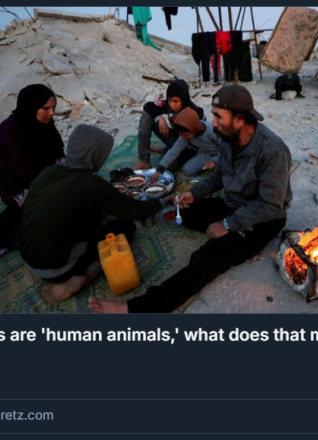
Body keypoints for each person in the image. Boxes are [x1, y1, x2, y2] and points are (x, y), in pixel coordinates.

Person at [89, 85, 293, 313]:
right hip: (233, 204)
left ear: (239, 120)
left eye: (218, 116)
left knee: (208, 257)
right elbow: (219, 176)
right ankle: (230, 234)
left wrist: (227, 225)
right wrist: (194, 194)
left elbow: (270, 205)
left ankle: (139, 308)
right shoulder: (227, 137)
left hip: (263, 218)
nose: (213, 123)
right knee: (185, 211)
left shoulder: (272, 151)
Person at [16, 124, 165, 304]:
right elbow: (138, 211)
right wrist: (163, 200)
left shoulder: (49, 172)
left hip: (29, 258)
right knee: (124, 226)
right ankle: (84, 277)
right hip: (57, 268)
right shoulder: (91, 184)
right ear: (95, 155)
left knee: (89, 214)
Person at [0, 84, 65, 265]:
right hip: (18, 188)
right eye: (46, 108)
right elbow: (25, 174)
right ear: (31, 107)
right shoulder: (13, 133)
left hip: (44, 178)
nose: (52, 113)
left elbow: (58, 155)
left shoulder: (43, 125)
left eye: (53, 108)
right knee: (54, 220)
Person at [133, 79, 204, 171]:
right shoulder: (169, 105)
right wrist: (160, 117)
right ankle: (144, 160)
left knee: (168, 167)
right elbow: (148, 105)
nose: (172, 105)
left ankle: (164, 150)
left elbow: (199, 141)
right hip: (174, 138)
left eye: (175, 101)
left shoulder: (194, 112)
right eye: (170, 100)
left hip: (187, 146)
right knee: (146, 116)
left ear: (184, 99)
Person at [149, 107, 221, 183]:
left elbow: (227, 148)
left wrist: (214, 161)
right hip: (207, 152)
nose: (183, 137)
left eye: (185, 135)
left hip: (223, 152)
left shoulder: (213, 130)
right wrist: (159, 171)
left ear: (193, 128)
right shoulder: (186, 135)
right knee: (187, 170)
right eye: (181, 135)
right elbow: (174, 151)